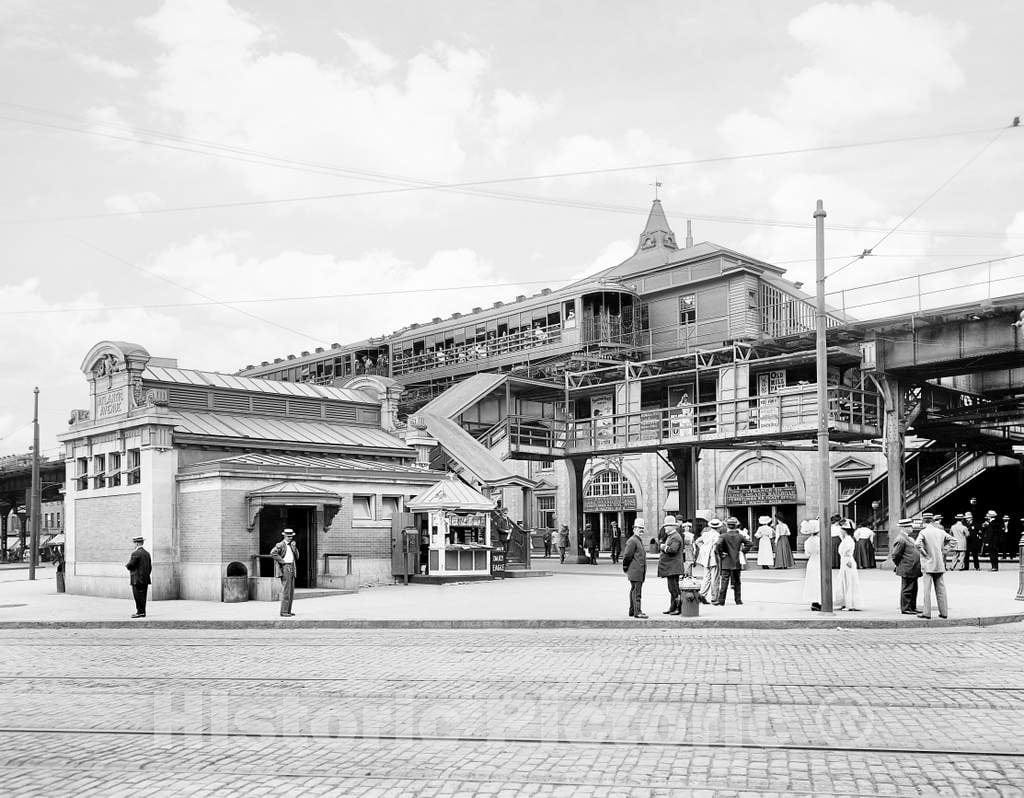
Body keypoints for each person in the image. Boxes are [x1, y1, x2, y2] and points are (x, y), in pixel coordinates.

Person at [916, 516, 955, 619]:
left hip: (928, 564)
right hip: (939, 564)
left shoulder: (923, 532)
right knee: (941, 589)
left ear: (924, 522)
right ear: (932, 521)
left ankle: (927, 613)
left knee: (927, 590)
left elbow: (917, 544)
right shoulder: (941, 532)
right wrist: (945, 551)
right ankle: (944, 612)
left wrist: (924, 553)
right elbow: (954, 540)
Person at [891, 519, 923, 615]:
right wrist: (900, 565)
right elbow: (895, 555)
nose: (912, 528)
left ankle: (912, 607)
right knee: (907, 589)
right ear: (904, 528)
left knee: (913, 589)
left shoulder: (908, 538)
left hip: (913, 568)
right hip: (907, 568)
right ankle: (906, 608)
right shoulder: (901, 539)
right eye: (910, 527)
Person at [269, 528, 300, 617]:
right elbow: (273, 553)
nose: (290, 538)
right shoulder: (280, 545)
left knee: (291, 591)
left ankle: (288, 611)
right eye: (288, 536)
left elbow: (297, 557)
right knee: (286, 590)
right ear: (284, 536)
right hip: (286, 567)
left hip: (292, 567)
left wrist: (294, 548)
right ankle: (284, 612)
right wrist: (282, 562)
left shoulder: (292, 545)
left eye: (291, 536)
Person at [713, 518, 744, 606]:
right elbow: (749, 543)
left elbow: (718, 545)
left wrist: (721, 553)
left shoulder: (723, 536)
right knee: (737, 582)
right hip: (736, 562)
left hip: (726, 562)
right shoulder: (740, 536)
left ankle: (721, 600)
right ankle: (738, 600)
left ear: (727, 526)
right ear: (735, 526)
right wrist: (742, 551)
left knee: (724, 582)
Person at [621, 518, 648, 619]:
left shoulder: (637, 540)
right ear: (634, 529)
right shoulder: (633, 541)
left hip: (637, 571)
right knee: (637, 592)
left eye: (642, 528)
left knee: (633, 590)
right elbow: (627, 556)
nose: (640, 530)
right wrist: (625, 566)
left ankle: (632, 611)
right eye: (638, 528)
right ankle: (638, 612)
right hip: (635, 571)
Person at [658, 518, 685, 615]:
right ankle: (673, 607)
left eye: (666, 526)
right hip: (671, 567)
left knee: (674, 589)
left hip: (673, 567)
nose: (665, 528)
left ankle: (679, 608)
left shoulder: (675, 537)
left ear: (672, 527)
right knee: (672, 588)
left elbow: (673, 550)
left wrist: (663, 547)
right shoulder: (672, 536)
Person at [834, 521, 862, 611]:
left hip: (847, 561)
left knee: (848, 581)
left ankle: (849, 604)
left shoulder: (848, 540)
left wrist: (848, 560)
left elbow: (847, 552)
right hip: (844, 561)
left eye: (841, 529)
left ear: (844, 530)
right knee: (843, 581)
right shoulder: (846, 539)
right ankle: (844, 602)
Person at [125, 535, 152, 619]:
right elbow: (150, 567)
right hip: (145, 579)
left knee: (137, 596)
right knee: (143, 596)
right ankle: (143, 612)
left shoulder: (135, 553)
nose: (134, 544)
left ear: (137, 543)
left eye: (134, 543)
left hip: (136, 579)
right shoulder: (147, 553)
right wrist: (146, 575)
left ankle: (139, 612)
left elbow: (131, 565)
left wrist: (127, 566)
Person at [696, 518, 721, 605]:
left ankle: (702, 595)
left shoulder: (706, 534)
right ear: (718, 527)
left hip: (706, 558)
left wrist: (703, 549)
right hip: (714, 558)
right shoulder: (717, 535)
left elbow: (697, 541)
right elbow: (718, 547)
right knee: (715, 578)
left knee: (706, 577)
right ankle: (714, 598)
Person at [801, 519, 822, 611]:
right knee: (819, 580)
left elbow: (807, 554)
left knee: (812, 581)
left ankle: (814, 601)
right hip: (819, 560)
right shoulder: (819, 540)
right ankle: (820, 600)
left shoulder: (807, 541)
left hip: (812, 561)